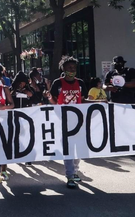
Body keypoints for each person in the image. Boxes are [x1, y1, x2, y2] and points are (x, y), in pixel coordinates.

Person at [49, 56, 87, 189]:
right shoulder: (57, 83)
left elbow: (83, 101)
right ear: (63, 69)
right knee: (68, 148)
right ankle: (70, 175)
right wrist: (49, 98)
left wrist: (99, 104)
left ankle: (75, 171)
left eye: (74, 68)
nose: (72, 70)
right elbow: (53, 101)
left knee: (79, 148)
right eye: (69, 67)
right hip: (63, 120)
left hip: (78, 120)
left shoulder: (81, 83)